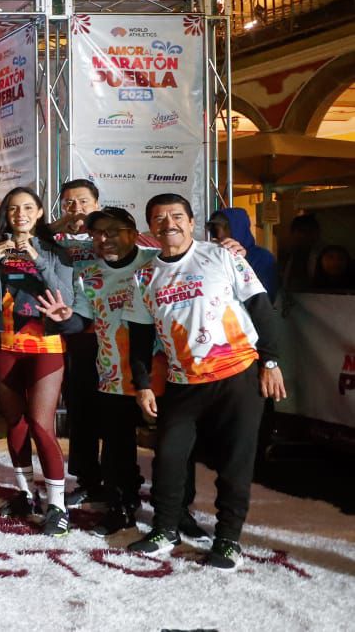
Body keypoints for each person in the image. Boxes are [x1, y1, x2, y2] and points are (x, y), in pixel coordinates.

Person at [124, 193, 287, 569]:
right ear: (151, 227)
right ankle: (165, 529)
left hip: (237, 375)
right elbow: (140, 336)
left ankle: (228, 540)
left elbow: (261, 307)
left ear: (191, 222)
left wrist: (271, 360)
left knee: (235, 462)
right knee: (169, 457)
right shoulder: (144, 276)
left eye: (176, 216)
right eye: (160, 218)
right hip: (183, 382)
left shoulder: (222, 256)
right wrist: (143, 383)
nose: (169, 224)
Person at [36, 206, 159, 535]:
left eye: (112, 231)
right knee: (117, 449)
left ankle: (174, 514)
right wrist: (64, 320)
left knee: (171, 447)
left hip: (161, 371)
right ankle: (121, 507)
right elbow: (82, 320)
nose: (105, 239)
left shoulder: (156, 262)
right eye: (97, 234)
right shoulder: (88, 275)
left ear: (133, 233)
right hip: (113, 373)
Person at [0, 186, 75, 536]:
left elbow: (65, 297)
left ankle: (57, 505)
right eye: (14, 209)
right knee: (15, 422)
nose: (21, 214)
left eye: (28, 207)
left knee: (41, 423)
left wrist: (36, 257)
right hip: (3, 344)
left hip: (45, 345)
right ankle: (26, 494)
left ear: (40, 212)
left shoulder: (55, 252)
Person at [53, 178, 105, 508]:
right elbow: (30, 239)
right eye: (69, 203)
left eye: (83, 201)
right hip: (75, 334)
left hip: (113, 333)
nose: (77, 209)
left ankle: (117, 480)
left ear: (97, 204)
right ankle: (87, 480)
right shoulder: (55, 240)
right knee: (81, 410)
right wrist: (58, 226)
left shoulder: (111, 234)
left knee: (114, 414)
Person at [208, 208, 278, 300]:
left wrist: (240, 260)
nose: (220, 235)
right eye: (216, 229)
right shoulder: (215, 257)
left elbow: (267, 297)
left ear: (239, 228)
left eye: (225, 228)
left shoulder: (263, 258)